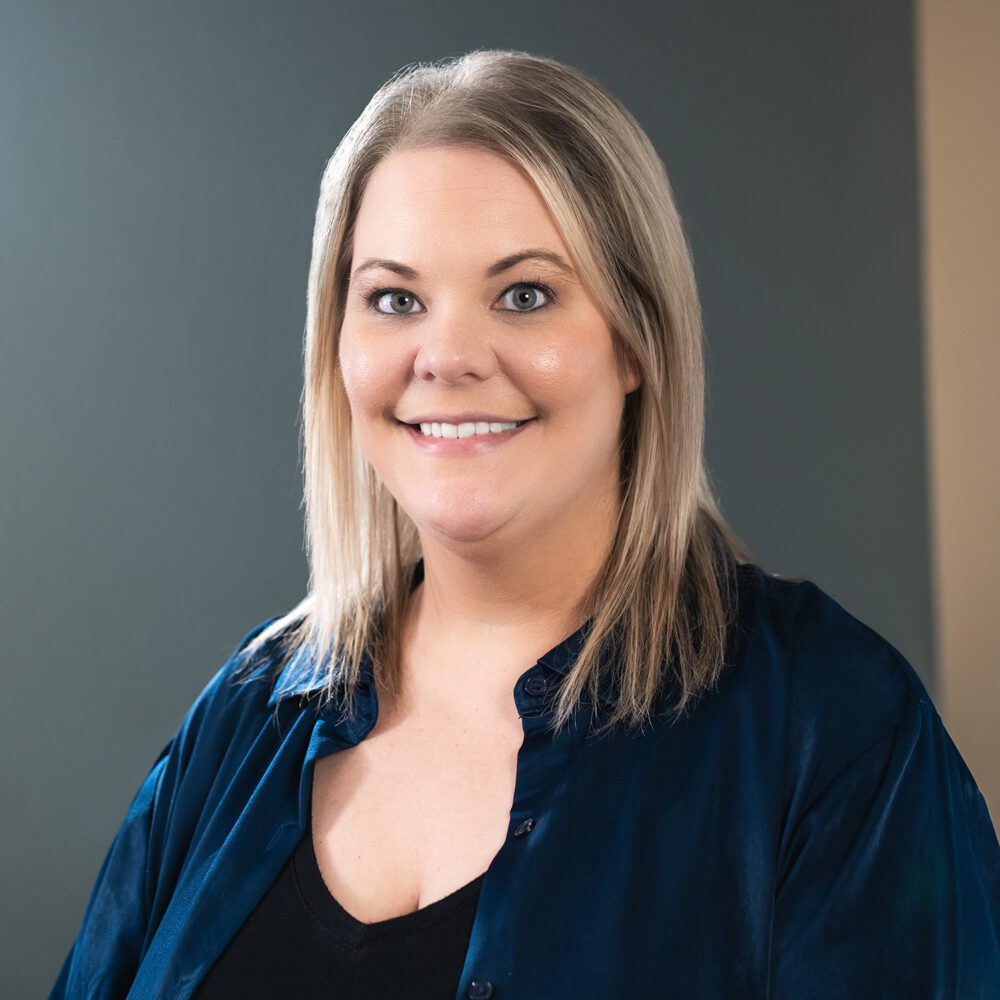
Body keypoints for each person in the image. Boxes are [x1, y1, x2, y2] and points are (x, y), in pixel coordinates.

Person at [51, 49, 1000, 1000]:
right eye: (395, 299)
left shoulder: (836, 728)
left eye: (525, 295)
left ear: (637, 341)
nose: (448, 357)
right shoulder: (241, 720)